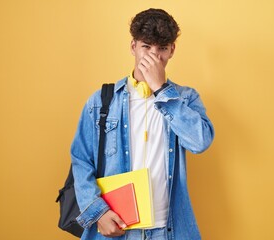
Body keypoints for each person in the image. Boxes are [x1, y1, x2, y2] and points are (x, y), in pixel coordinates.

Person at [70, 8, 214, 240]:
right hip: (118, 227)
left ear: (172, 51)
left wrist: (161, 91)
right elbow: (81, 159)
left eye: (162, 49)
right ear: (133, 46)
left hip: (169, 230)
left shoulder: (185, 98)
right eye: (146, 47)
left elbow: (200, 142)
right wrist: (98, 213)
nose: (153, 57)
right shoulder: (101, 101)